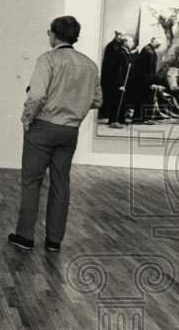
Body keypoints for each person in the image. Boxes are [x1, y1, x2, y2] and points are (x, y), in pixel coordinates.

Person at [9, 16, 102, 253]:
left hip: (43, 127)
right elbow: (97, 100)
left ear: (53, 34)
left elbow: (37, 95)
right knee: (61, 184)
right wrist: (74, 107)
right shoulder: (89, 65)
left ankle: (25, 236)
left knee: (32, 182)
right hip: (70, 131)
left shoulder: (48, 59)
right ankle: (54, 240)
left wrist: (27, 118)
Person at [99, 30, 131, 127]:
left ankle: (120, 119)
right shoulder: (115, 48)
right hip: (115, 79)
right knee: (116, 100)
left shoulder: (119, 48)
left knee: (119, 99)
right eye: (123, 36)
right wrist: (119, 83)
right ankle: (114, 120)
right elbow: (117, 67)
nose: (124, 38)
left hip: (118, 79)